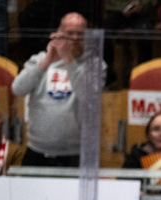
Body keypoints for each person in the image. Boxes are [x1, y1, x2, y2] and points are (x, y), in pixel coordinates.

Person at [11, 12, 106, 168]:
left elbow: (87, 95)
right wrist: (47, 61)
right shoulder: (39, 60)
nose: (75, 38)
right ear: (58, 34)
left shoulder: (95, 65)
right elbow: (17, 89)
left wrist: (68, 59)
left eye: (80, 34)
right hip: (37, 152)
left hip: (75, 155)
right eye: (69, 33)